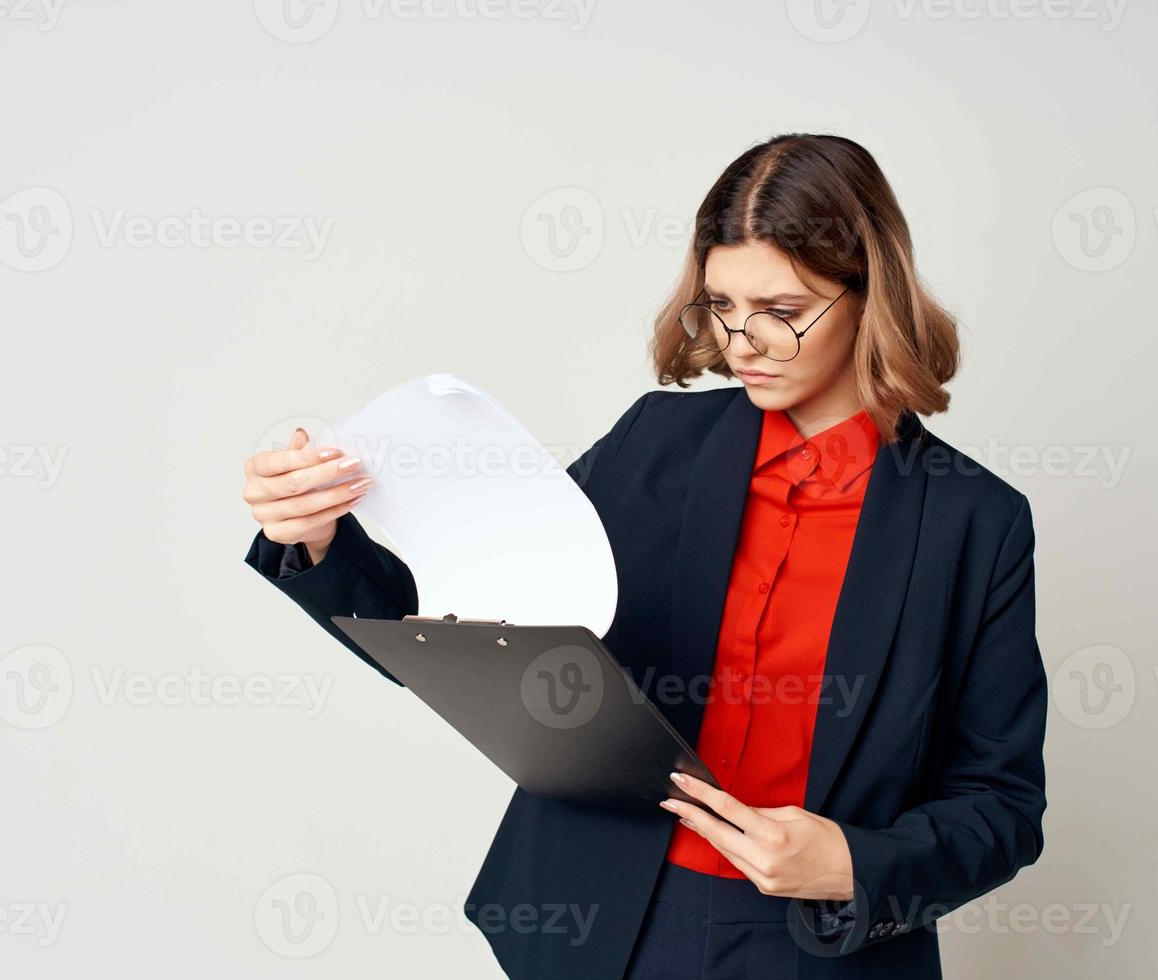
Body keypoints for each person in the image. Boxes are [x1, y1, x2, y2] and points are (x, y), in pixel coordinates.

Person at [240, 132, 1047, 980]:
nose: (744, 342)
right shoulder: (653, 445)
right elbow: (466, 623)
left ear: (869, 293)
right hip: (604, 924)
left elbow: (1001, 805)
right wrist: (317, 536)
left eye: (782, 310)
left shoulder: (975, 522)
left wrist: (849, 865)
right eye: (721, 305)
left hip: (827, 946)